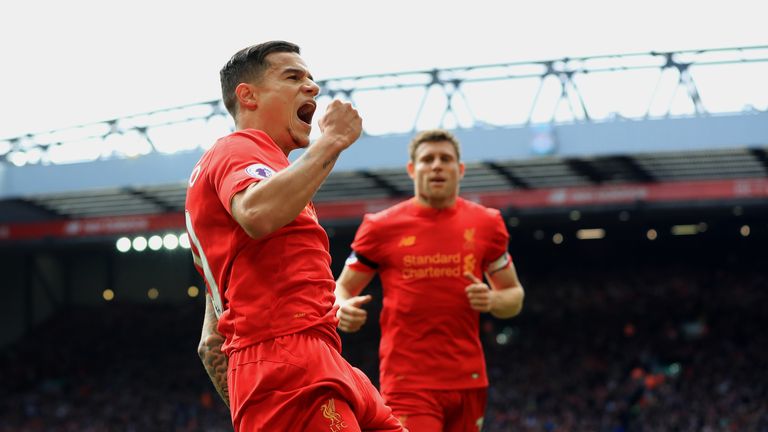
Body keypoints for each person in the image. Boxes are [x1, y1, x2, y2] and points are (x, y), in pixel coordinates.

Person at [186, 40, 405, 432]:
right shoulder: (236, 150)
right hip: (286, 360)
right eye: (293, 77)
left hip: (313, 358)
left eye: (311, 77)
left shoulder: (270, 172)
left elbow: (211, 343)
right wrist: (332, 142)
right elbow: (256, 213)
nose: (312, 87)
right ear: (248, 95)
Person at [334, 129, 526, 431]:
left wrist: (493, 300)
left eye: (445, 159)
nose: (436, 165)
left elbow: (513, 296)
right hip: (408, 382)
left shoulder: (487, 224)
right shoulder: (381, 227)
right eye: (427, 159)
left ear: (459, 169)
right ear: (412, 169)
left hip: (469, 380)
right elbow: (342, 287)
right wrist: (342, 307)